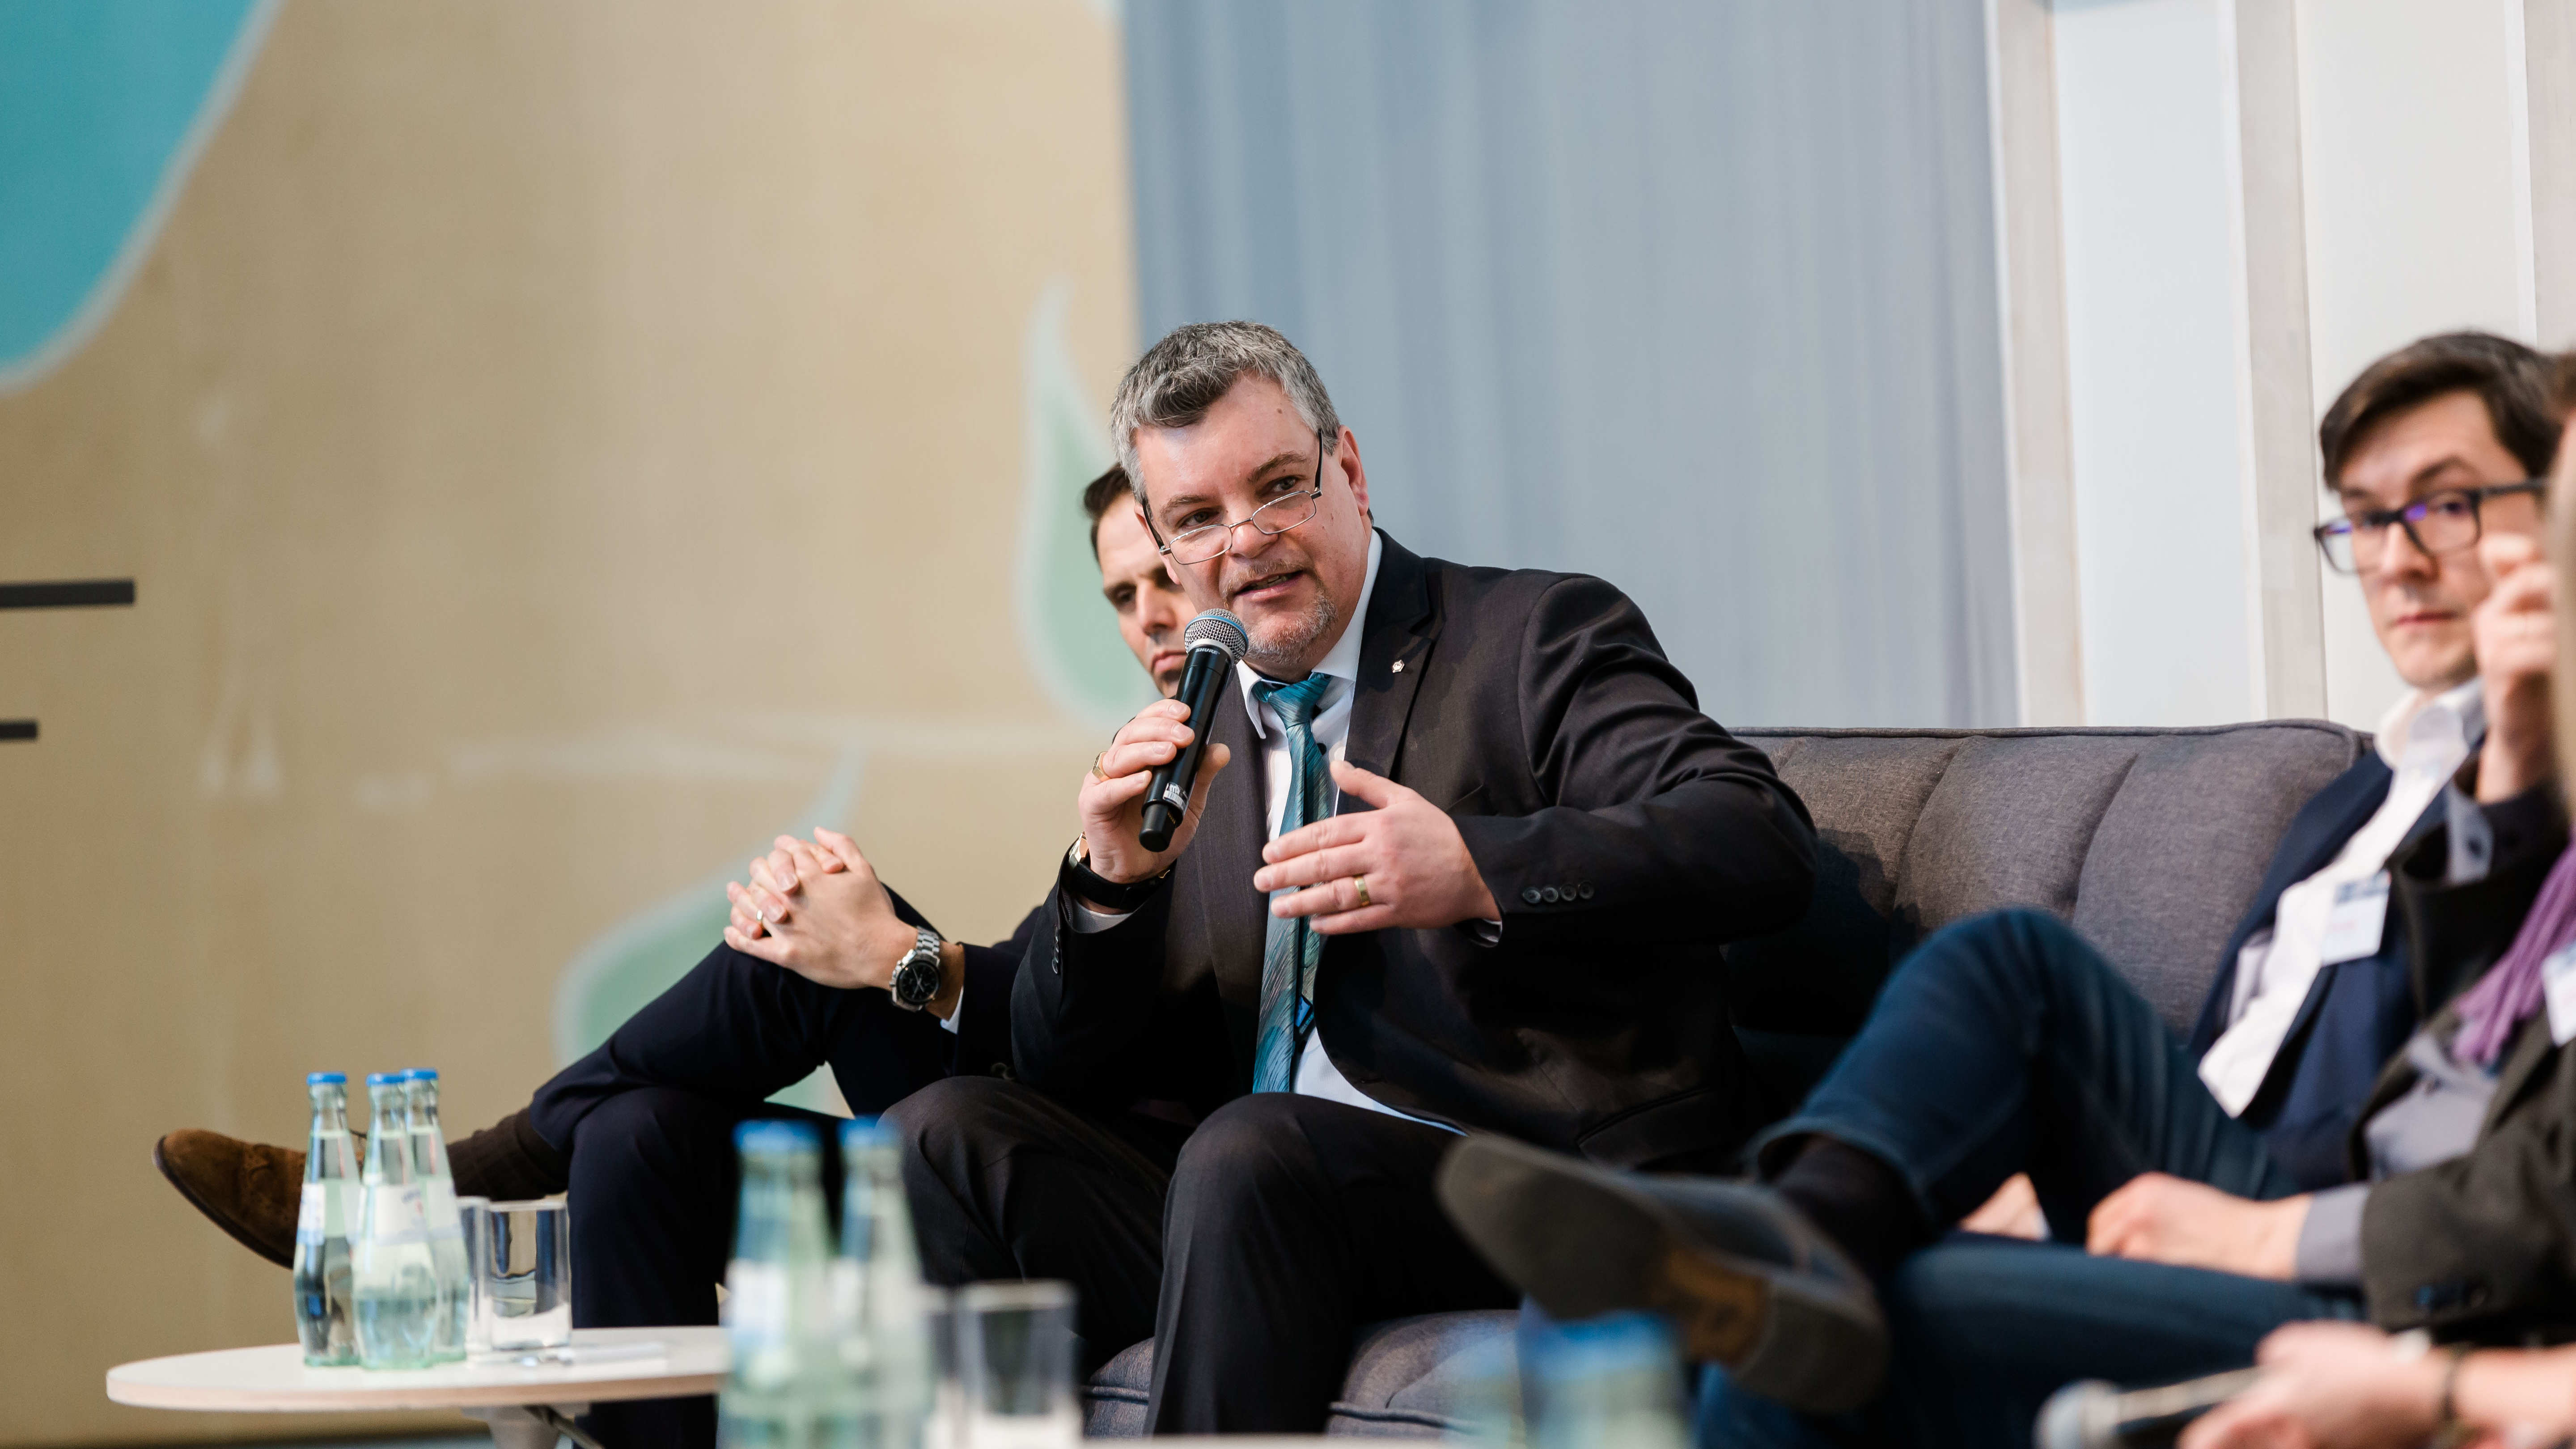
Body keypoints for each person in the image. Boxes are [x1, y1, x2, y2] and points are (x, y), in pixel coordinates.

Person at [1433, 331, 2572, 1443]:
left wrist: (2267, 1235)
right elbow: (2260, 1058)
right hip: (2197, 1173)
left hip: (2356, 1252)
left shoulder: (2528, 805)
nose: (2398, 556)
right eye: (2367, 520)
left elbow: (2454, 1102)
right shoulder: (2358, 799)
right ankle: (1804, 1233)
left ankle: (1795, 1245)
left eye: (2446, 503)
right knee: (2006, 966)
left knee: (1864, 1312)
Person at [876, 320, 1820, 1435]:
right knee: (939, 1134)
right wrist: (1109, 887)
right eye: (1196, 520)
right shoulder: (1198, 727)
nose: (1248, 541)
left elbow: (1755, 835)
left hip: (1524, 1183)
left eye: (1279, 487)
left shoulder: (1529, 636)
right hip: (1269, 1207)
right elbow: (1052, 1060)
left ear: (1351, 471)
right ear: (1170, 556)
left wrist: (1477, 869)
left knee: (1248, 1148)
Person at [151, 466, 1192, 1449]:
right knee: (637, 1135)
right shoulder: (1155, 755)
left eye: (1163, 574)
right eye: (1119, 592)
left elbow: (1134, 1034)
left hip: (1125, 1207)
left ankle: (438, 1184)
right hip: (1011, 1159)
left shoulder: (1248, 753)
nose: (1146, 612)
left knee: (816, 956)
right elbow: (1064, 986)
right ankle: (457, 1186)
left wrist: (904, 955)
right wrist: (888, 947)